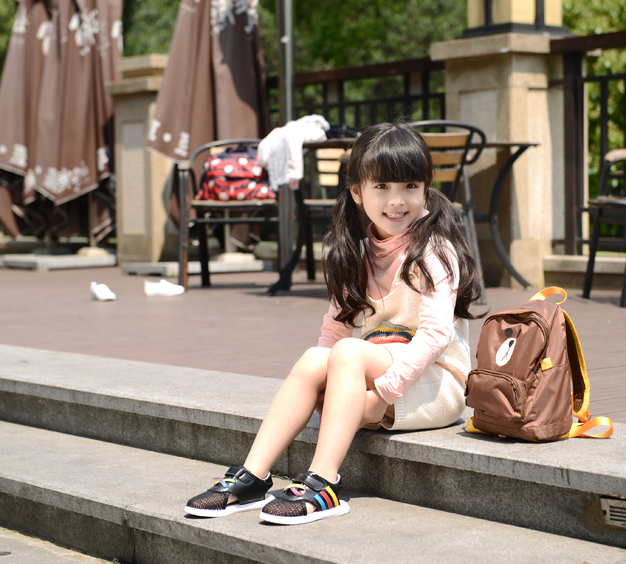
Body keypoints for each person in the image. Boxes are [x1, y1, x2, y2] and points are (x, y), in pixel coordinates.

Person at [184, 122, 483, 525]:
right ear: (358, 193)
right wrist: (324, 386)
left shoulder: (433, 249)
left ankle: (323, 482)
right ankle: (252, 476)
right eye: (382, 188)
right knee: (315, 357)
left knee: (346, 352)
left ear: (425, 189)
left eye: (410, 186)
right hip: (381, 376)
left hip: (434, 384)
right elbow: (335, 331)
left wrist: (380, 399)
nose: (397, 201)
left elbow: (434, 336)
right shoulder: (356, 254)